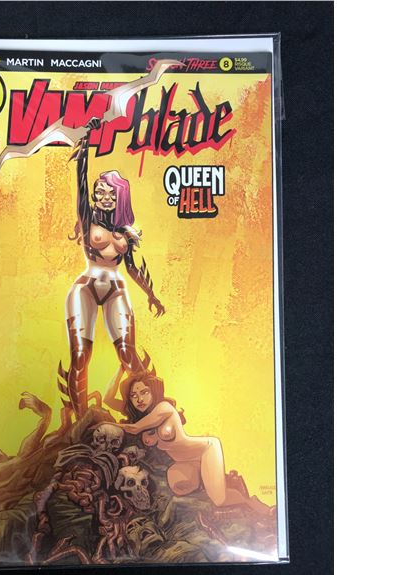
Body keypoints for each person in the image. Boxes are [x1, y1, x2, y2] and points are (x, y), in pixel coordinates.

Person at [62, 118, 165, 419]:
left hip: (116, 288)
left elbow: (131, 267)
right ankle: (81, 421)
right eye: (100, 192)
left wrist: (151, 295)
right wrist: (85, 146)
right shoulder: (87, 218)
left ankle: (147, 416)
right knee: (80, 355)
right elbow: (80, 183)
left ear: (120, 196)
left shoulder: (125, 232)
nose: (105, 198)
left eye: (111, 193)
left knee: (129, 356)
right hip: (86, 287)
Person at [114, 371, 268, 513]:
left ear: (154, 391)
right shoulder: (143, 416)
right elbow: (108, 399)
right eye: (133, 395)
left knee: (219, 500)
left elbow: (134, 429)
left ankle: (249, 502)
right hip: (184, 462)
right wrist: (120, 371)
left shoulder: (163, 407)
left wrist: (104, 426)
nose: (139, 399)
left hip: (205, 451)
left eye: (144, 392)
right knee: (178, 487)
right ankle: (217, 485)